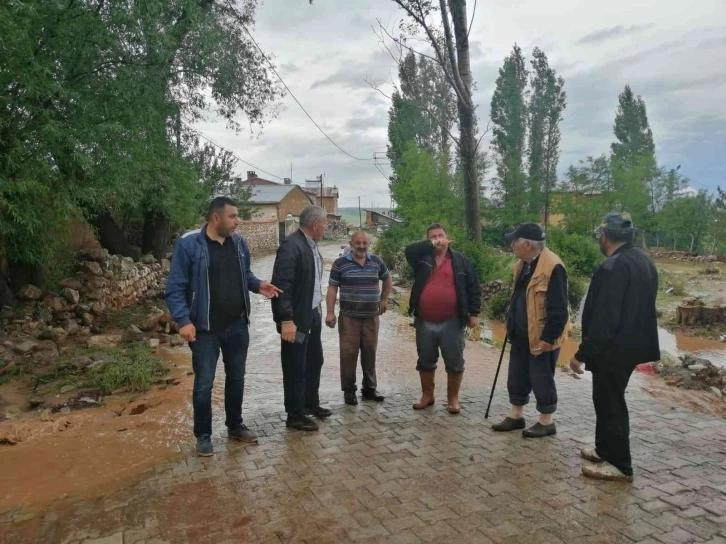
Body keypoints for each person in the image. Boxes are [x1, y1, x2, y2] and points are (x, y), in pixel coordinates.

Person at [166, 196, 282, 457]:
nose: (237, 221)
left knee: (237, 378)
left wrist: (258, 285)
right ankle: (203, 436)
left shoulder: (239, 243)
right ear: (216, 217)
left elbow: (245, 274)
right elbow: (175, 288)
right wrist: (183, 321)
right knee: (204, 384)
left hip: (237, 325)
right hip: (204, 330)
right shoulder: (189, 245)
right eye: (232, 216)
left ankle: (235, 426)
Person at [570, 212, 659, 483]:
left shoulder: (613, 267)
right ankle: (603, 449)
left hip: (612, 349)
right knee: (606, 400)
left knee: (611, 405)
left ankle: (620, 466)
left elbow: (605, 319)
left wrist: (581, 354)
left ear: (605, 236)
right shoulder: (643, 260)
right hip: (632, 345)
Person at [492, 223, 570, 438]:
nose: (512, 245)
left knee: (541, 378)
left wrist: (549, 337)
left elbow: (560, 308)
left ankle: (546, 421)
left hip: (541, 335)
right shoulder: (523, 265)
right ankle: (516, 416)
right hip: (520, 332)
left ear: (527, 244)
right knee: (517, 376)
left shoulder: (553, 267)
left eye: (515, 241)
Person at [404, 224, 481, 414]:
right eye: (433, 237)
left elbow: (473, 287)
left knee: (455, 362)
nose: (438, 239)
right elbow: (409, 250)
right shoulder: (421, 259)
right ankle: (427, 396)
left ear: (448, 237)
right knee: (425, 360)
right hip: (424, 320)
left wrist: (474, 313)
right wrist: (431, 244)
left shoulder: (461, 260)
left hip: (452, 320)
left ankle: (452, 399)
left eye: (441, 235)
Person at [271, 205, 331, 432]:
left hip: (312, 313)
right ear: (315, 225)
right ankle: (294, 414)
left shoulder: (311, 245)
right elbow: (281, 285)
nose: (326, 228)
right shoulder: (291, 246)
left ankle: (309, 404)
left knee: (315, 360)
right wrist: (286, 319)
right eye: (324, 224)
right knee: (295, 365)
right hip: (295, 319)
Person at [326, 231, 392, 406]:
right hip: (349, 318)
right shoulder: (340, 264)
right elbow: (332, 288)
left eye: (365, 243)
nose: (362, 246)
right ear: (351, 244)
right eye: (358, 243)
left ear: (369, 244)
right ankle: (349, 391)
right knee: (348, 354)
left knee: (370, 352)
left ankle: (369, 389)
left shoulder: (377, 261)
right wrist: (330, 312)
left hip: (371, 317)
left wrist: (384, 299)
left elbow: (387, 279)